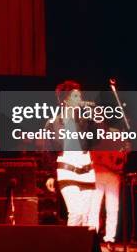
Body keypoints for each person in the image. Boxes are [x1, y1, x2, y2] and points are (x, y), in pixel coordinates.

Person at [49, 80, 96, 227]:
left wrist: (93, 118)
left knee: (86, 217)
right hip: (67, 170)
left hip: (87, 169)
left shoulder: (86, 120)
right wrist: (50, 175)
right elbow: (49, 150)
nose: (80, 100)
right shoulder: (54, 122)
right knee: (76, 213)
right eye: (76, 96)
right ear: (66, 100)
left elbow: (96, 139)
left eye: (80, 96)